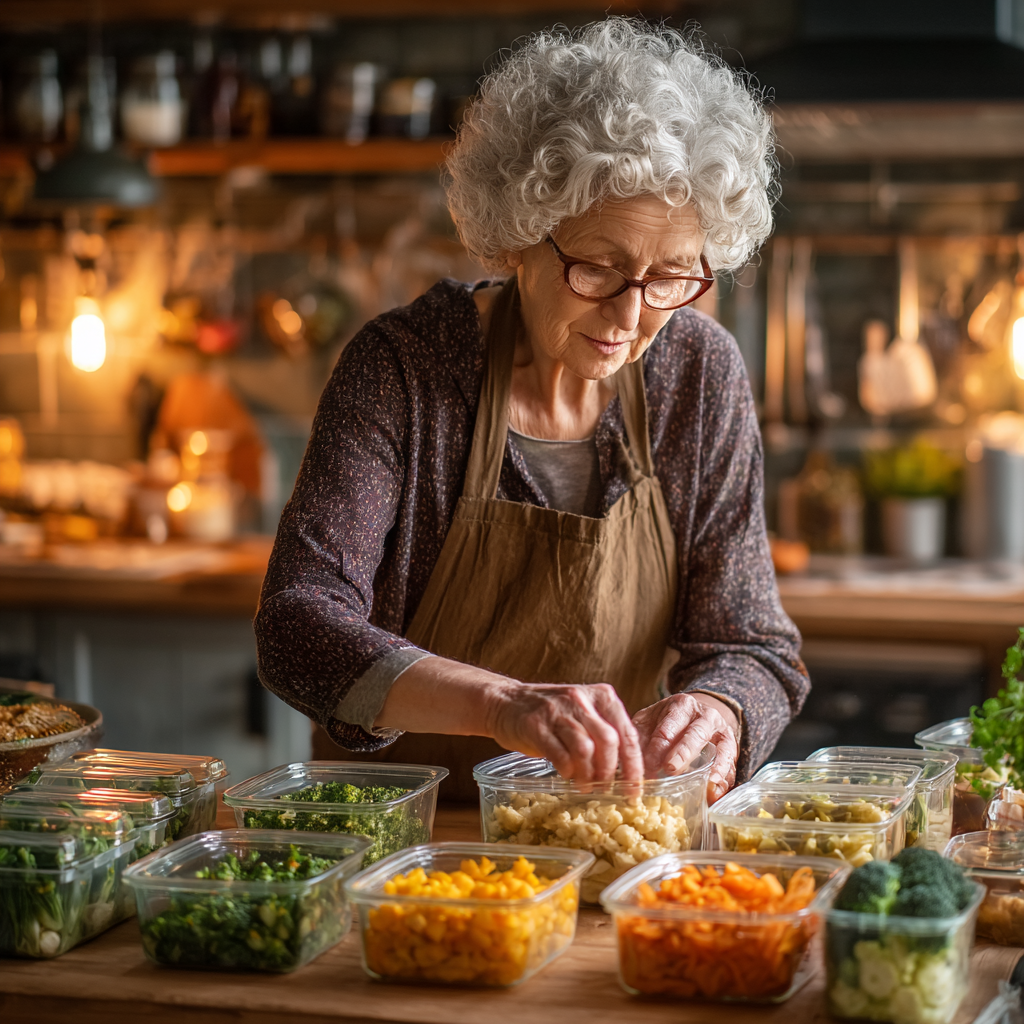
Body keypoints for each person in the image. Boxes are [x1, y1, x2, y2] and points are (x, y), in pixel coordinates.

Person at [255, 18, 809, 802]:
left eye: (670, 277)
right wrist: (502, 705)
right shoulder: (405, 370)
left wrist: (719, 707)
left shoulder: (698, 375)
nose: (630, 316)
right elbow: (296, 625)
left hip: (609, 828)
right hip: (406, 833)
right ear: (519, 234)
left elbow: (751, 644)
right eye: (599, 268)